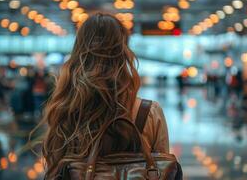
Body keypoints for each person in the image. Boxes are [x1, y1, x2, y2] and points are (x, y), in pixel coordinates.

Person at [38, 13, 169, 178]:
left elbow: (54, 169)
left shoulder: (65, 107)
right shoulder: (149, 112)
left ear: (78, 52)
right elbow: (164, 169)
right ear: (123, 52)